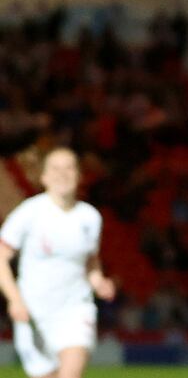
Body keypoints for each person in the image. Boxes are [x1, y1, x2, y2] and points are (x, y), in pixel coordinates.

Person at [0, 147, 115, 378]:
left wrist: (98, 281)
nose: (62, 174)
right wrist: (15, 300)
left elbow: (91, 262)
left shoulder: (90, 217)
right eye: (55, 168)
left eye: (69, 167)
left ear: (79, 175)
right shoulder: (29, 212)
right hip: (34, 314)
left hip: (75, 309)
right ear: (43, 176)